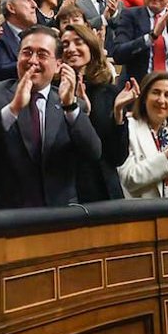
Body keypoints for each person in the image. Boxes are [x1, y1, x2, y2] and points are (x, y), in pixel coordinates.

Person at [0, 26, 102, 209]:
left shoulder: (72, 105)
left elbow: (93, 152)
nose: (32, 61)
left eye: (42, 55)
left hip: (54, 216)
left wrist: (70, 106)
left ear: (59, 65)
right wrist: (13, 108)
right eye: (27, 53)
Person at [60, 23, 133, 202]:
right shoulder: (51, 92)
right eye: (65, 45)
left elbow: (117, 157)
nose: (71, 49)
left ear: (91, 47)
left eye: (78, 42)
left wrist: (118, 115)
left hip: (102, 189)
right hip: (64, 189)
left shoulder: (110, 93)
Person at [118, 73, 168, 198]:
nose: (161, 100)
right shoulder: (128, 129)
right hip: (139, 213)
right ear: (144, 98)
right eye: (156, 92)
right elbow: (129, 179)